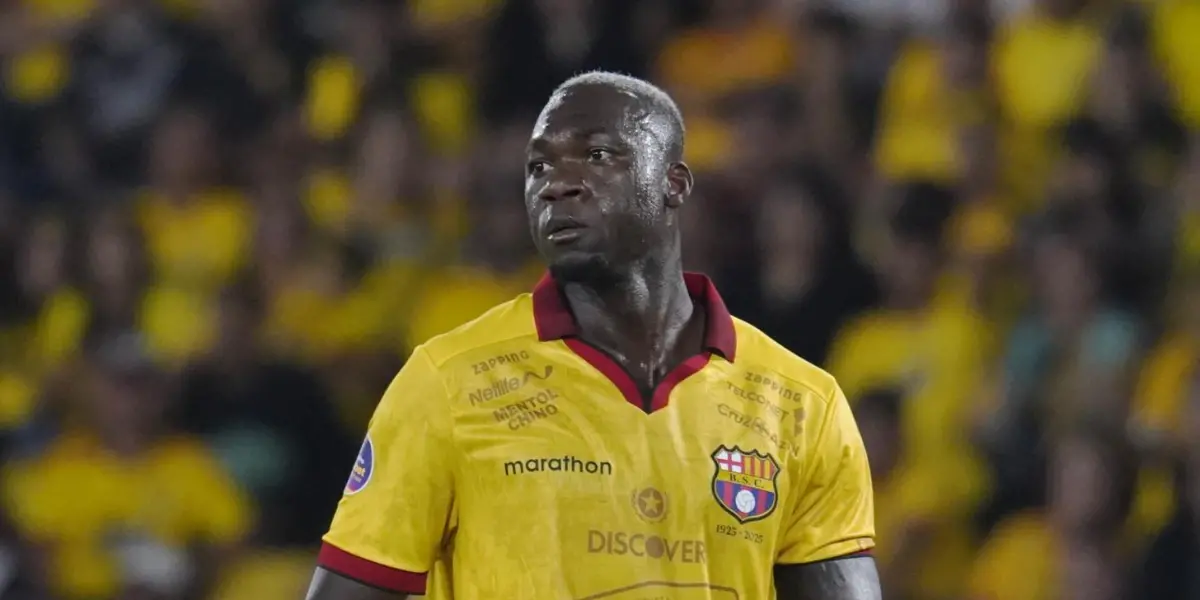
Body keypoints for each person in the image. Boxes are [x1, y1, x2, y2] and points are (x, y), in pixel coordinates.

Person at [304, 72, 880, 600]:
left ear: (674, 182)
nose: (556, 185)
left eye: (598, 155)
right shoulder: (448, 383)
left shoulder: (802, 404)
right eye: (538, 167)